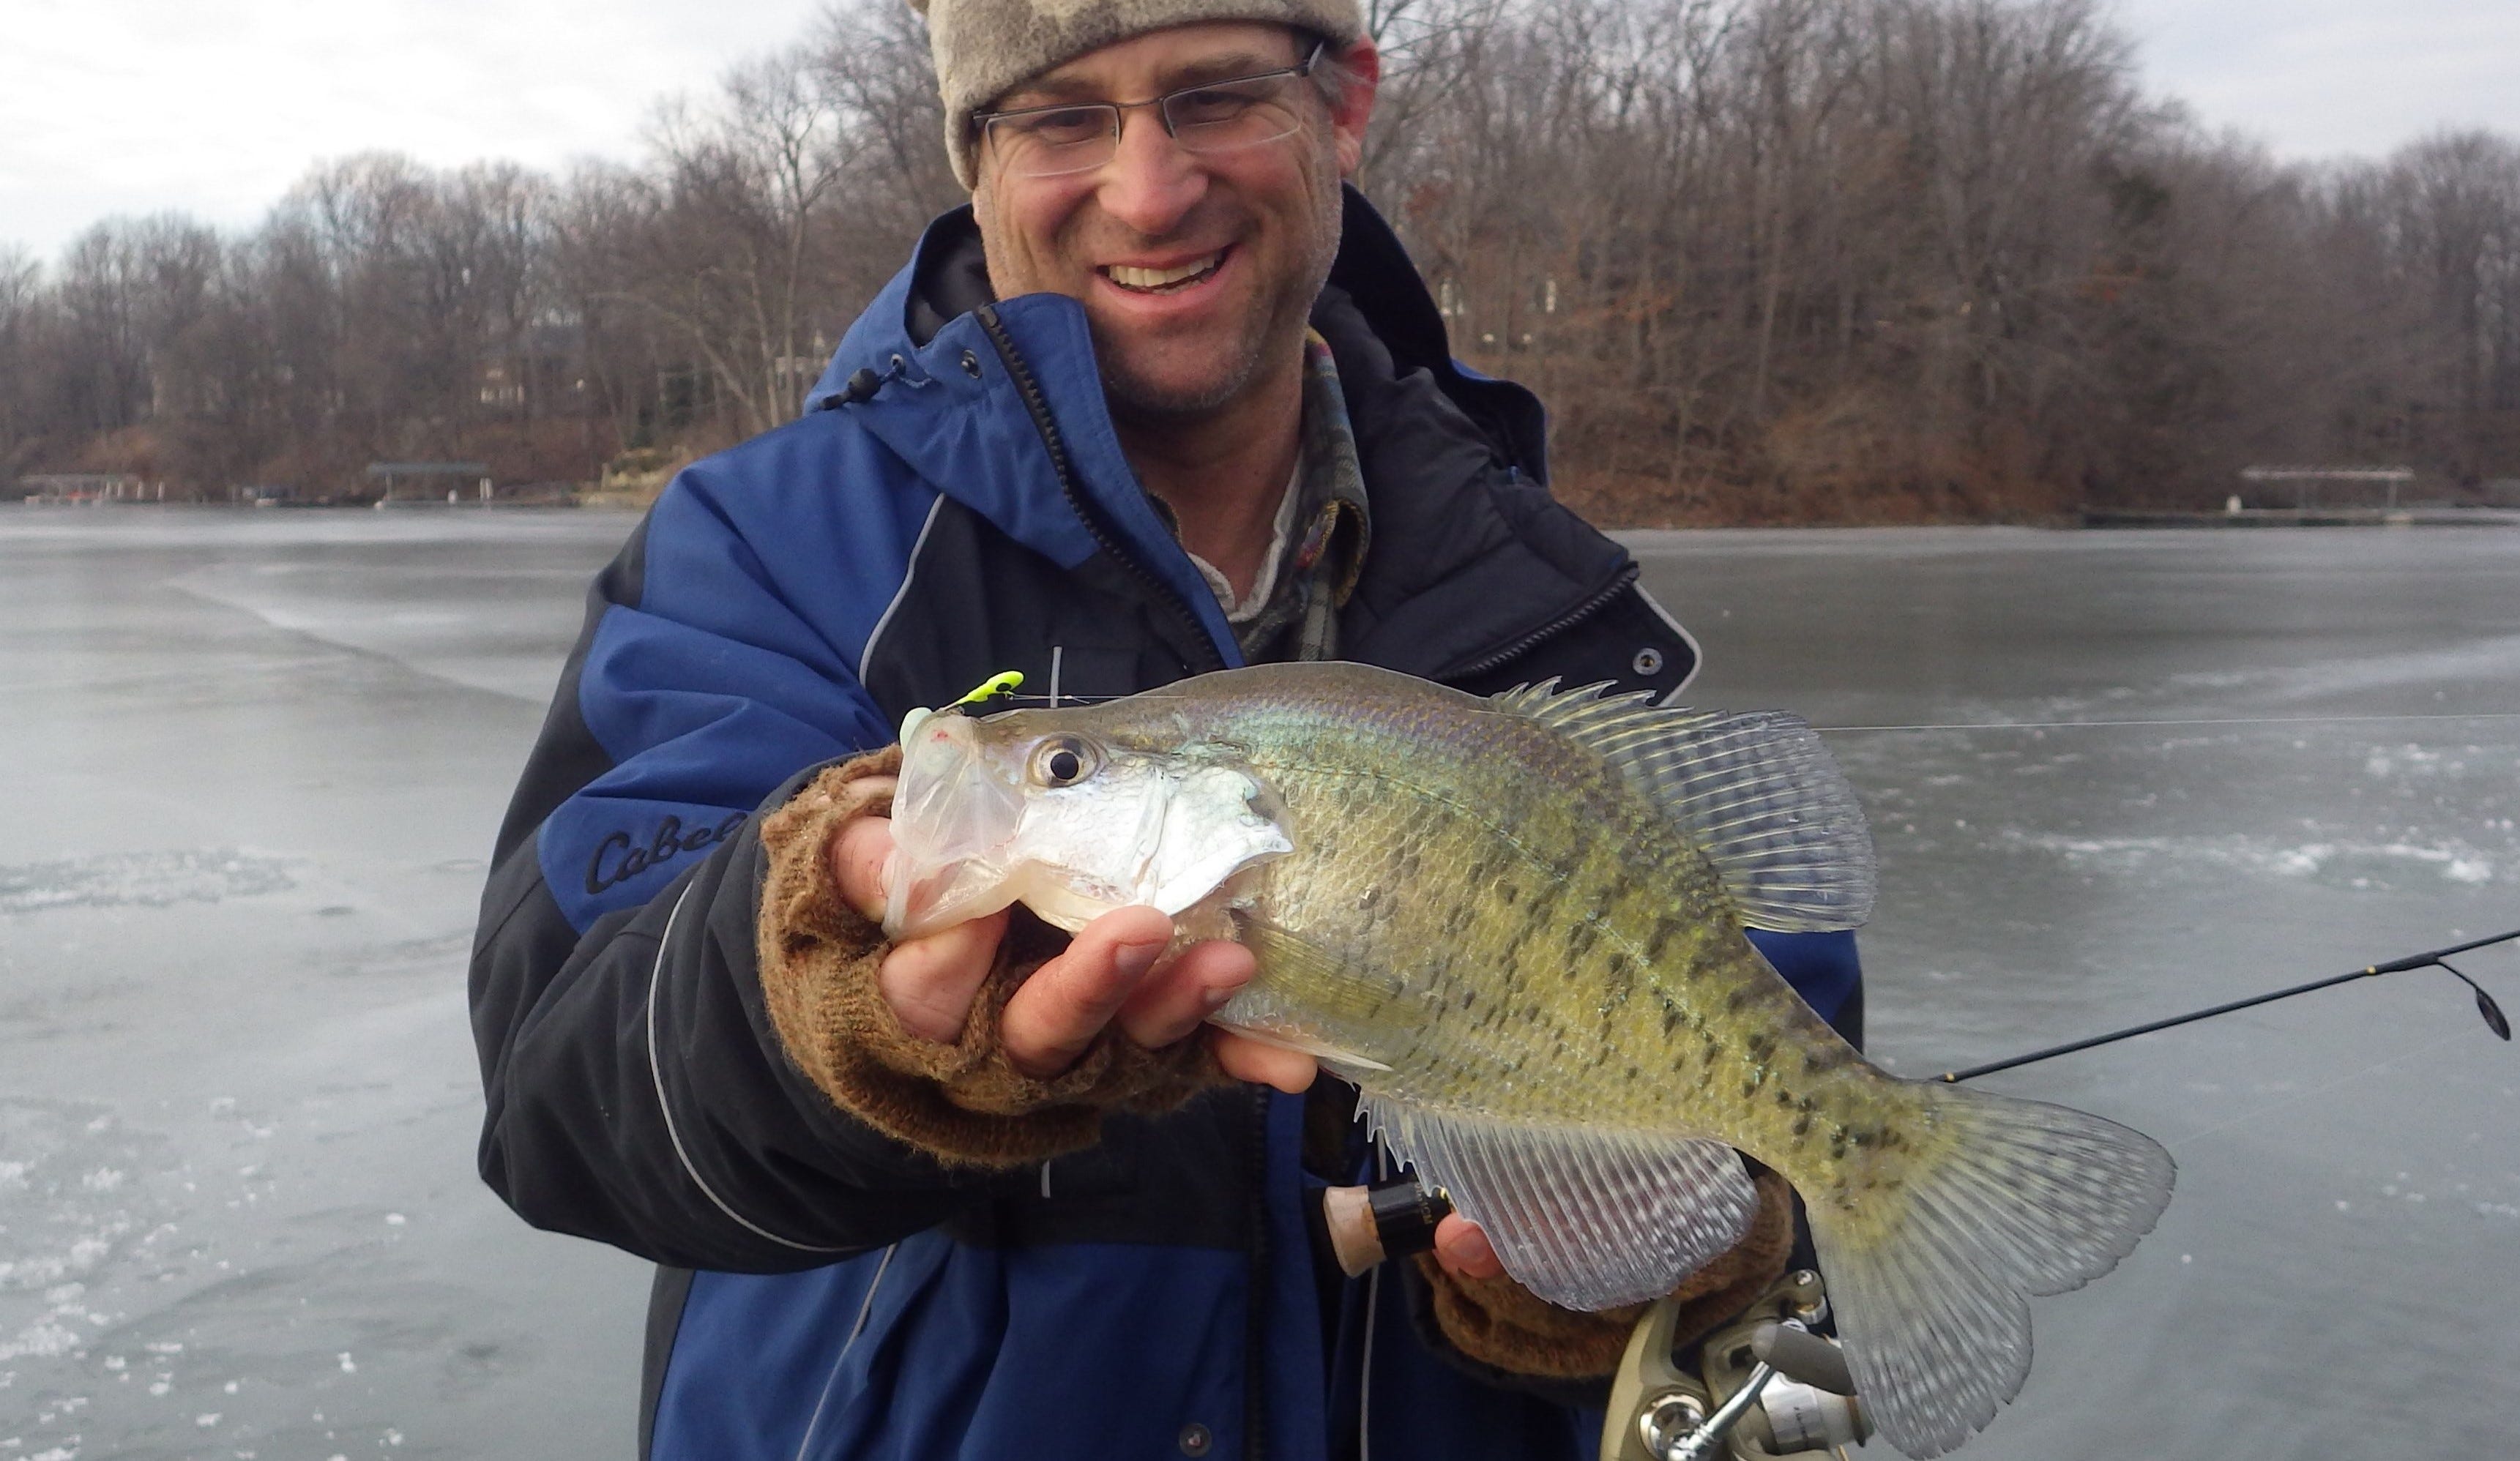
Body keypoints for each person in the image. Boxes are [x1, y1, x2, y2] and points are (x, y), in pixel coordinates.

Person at [469, 1, 1865, 1456]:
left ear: (1342, 105)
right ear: (975, 153)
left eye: (1213, 95)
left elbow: (1775, 1098)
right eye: (1061, 115)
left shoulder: (1549, 595)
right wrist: (829, 1009)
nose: (1147, 189)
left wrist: (1650, 1271)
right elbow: (562, 1104)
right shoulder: (765, 550)